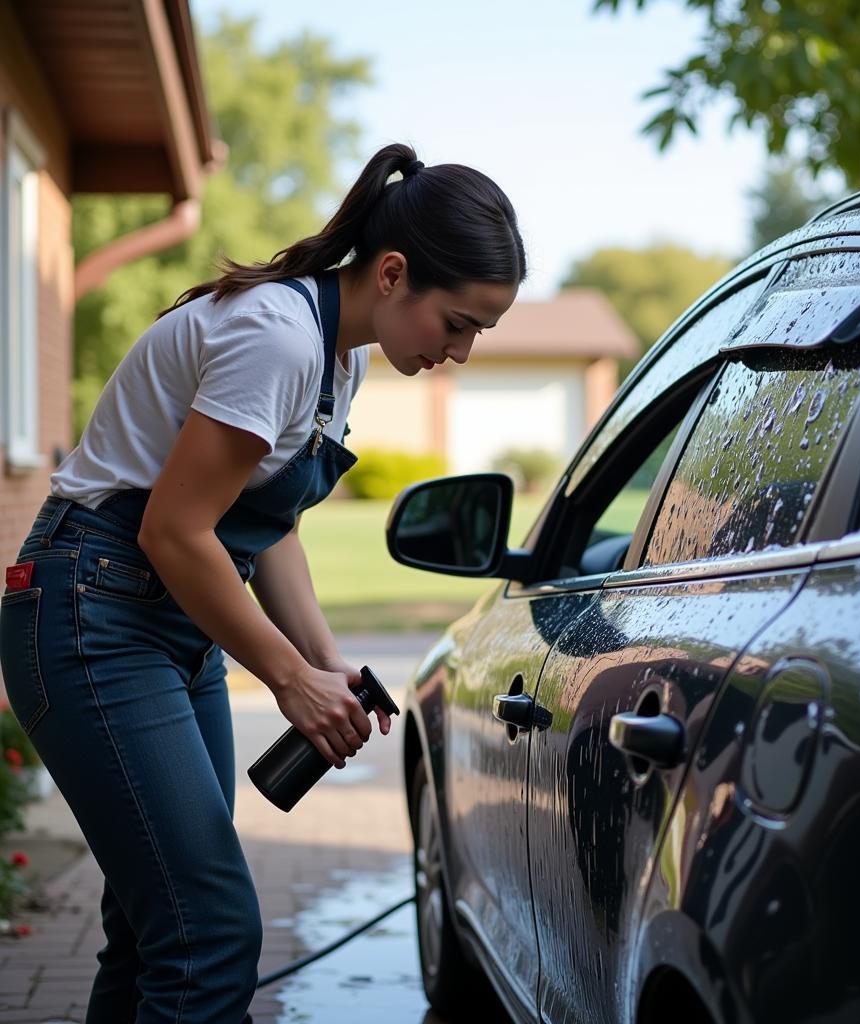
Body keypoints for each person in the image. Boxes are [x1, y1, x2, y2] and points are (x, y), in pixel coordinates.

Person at [0, 143, 525, 1023]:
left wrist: (324, 663)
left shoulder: (336, 358)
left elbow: (267, 524)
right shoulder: (279, 337)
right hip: (93, 615)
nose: (463, 352)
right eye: (459, 323)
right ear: (393, 274)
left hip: (169, 623)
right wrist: (286, 681)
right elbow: (174, 528)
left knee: (155, 928)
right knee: (207, 932)